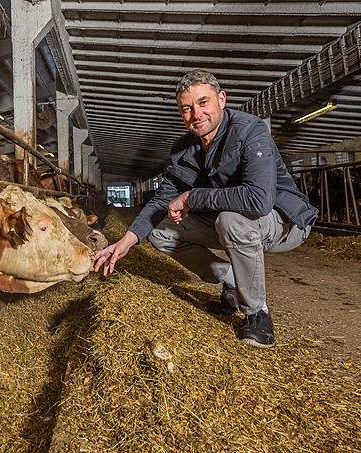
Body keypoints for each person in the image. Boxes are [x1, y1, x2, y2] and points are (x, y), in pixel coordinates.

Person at [93, 69, 318, 348]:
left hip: (283, 223)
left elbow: (258, 201)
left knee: (230, 220)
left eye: (203, 103)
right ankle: (232, 278)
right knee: (162, 232)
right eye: (186, 109)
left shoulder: (250, 130)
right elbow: (162, 201)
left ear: (221, 99)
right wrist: (127, 240)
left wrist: (191, 198)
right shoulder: (184, 150)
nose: (196, 114)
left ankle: (257, 314)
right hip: (233, 223)